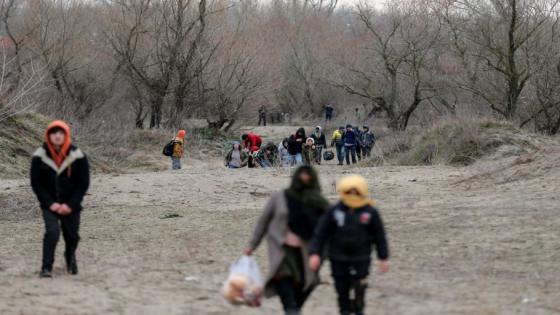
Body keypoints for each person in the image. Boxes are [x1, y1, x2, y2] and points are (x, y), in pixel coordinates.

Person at [245, 166, 329, 315]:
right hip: (282, 247)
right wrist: (252, 245)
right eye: (301, 174)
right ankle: (290, 308)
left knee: (309, 282)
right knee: (284, 276)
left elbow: (329, 228)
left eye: (307, 175)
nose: (304, 178)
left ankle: (295, 307)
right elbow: (263, 222)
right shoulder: (279, 197)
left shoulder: (319, 202)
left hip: (308, 249)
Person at [309, 175, 389, 315]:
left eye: (356, 192)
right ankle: (345, 310)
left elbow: (379, 237)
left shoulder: (370, 212)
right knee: (342, 292)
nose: (352, 195)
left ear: (362, 192)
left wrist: (383, 257)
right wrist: (315, 253)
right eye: (349, 192)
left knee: (360, 289)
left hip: (361, 258)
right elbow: (320, 234)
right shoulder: (334, 211)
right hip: (338, 259)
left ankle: (359, 309)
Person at [30, 120, 90, 278]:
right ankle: (46, 267)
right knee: (52, 232)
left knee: (72, 236)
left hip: (72, 204)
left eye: (61, 133)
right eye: (54, 133)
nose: (57, 136)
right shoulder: (39, 156)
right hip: (49, 204)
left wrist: (70, 204)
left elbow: (83, 183)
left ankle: (70, 257)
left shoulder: (77, 155)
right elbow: (36, 183)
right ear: (48, 135)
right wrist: (51, 204)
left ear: (66, 135)